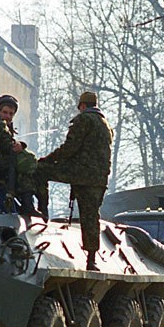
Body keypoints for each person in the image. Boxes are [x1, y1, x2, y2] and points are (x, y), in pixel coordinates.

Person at [38, 91, 113, 270]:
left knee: (39, 171)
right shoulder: (106, 125)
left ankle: (41, 214)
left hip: (79, 173)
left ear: (82, 106)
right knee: (91, 216)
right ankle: (91, 259)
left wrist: (48, 159)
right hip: (99, 179)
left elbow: (70, 147)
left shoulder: (83, 120)